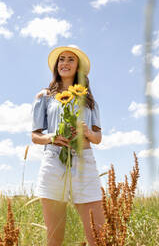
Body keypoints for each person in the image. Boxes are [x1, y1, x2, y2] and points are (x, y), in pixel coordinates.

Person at [31, 46, 105, 246]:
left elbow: (98, 137)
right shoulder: (44, 96)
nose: (65, 63)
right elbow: (35, 136)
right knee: (55, 237)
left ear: (78, 66)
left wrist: (88, 133)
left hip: (84, 161)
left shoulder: (89, 100)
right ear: (56, 66)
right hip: (54, 161)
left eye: (71, 59)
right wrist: (52, 137)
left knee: (98, 237)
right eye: (61, 59)